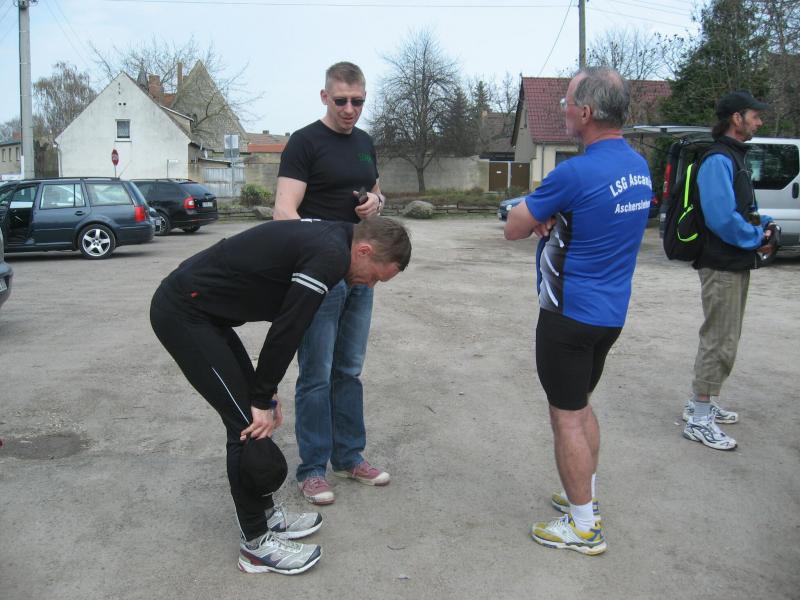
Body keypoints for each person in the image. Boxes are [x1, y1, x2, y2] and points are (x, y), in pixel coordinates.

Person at [150, 217, 411, 574]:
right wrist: (261, 399)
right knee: (246, 426)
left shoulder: (337, 240)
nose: (371, 284)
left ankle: (267, 515)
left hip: (209, 317)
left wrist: (266, 393)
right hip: (184, 313)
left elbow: (286, 322)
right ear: (364, 251)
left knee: (252, 415)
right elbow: (290, 326)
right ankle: (256, 545)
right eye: (376, 276)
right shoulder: (330, 255)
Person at [504, 67, 652, 555]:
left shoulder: (574, 172)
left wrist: (542, 211)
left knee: (566, 415)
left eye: (566, 102)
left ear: (585, 113)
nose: (562, 110)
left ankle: (584, 525)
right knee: (581, 405)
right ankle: (583, 493)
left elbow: (513, 226)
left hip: (567, 316)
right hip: (610, 314)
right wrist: (554, 212)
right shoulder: (638, 167)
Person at [273, 61, 390, 505]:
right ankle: (312, 469)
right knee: (316, 374)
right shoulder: (304, 142)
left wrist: (374, 201)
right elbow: (284, 211)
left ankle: (349, 457)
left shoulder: (364, 143)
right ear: (325, 97)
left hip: (360, 272)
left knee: (349, 371)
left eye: (358, 101)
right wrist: (316, 258)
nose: (349, 109)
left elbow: (377, 192)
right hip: (320, 275)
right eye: (340, 100)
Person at [681, 90, 776, 451]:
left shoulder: (734, 157)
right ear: (737, 118)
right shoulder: (718, 159)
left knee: (725, 336)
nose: (759, 121)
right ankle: (699, 418)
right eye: (755, 115)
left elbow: (741, 208)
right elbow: (721, 217)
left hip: (733, 261)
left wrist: (764, 224)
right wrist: (755, 237)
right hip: (721, 263)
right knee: (719, 339)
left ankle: (702, 403)